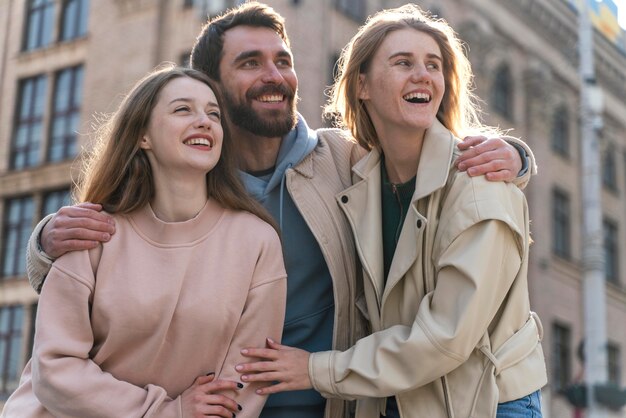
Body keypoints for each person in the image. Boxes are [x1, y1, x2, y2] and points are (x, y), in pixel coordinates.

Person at [24, 3, 536, 418]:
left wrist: (515, 157)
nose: (275, 76)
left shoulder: (344, 159)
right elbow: (116, 245)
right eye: (250, 63)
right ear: (212, 89)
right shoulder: (187, 168)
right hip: (203, 401)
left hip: (326, 397)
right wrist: (45, 241)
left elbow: (426, 150)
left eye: (283, 61)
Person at [234, 4, 547, 418]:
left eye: (433, 65)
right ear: (361, 85)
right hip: (402, 398)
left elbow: (446, 337)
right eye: (403, 62)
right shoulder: (353, 169)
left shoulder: (479, 182)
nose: (423, 75)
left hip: (484, 401)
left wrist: (315, 370)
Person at [4, 65, 286, 417]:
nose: (205, 121)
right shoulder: (91, 231)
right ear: (143, 136)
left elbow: (245, 378)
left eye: (213, 114)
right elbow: (55, 370)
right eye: (183, 109)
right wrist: (167, 412)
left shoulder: (257, 242)